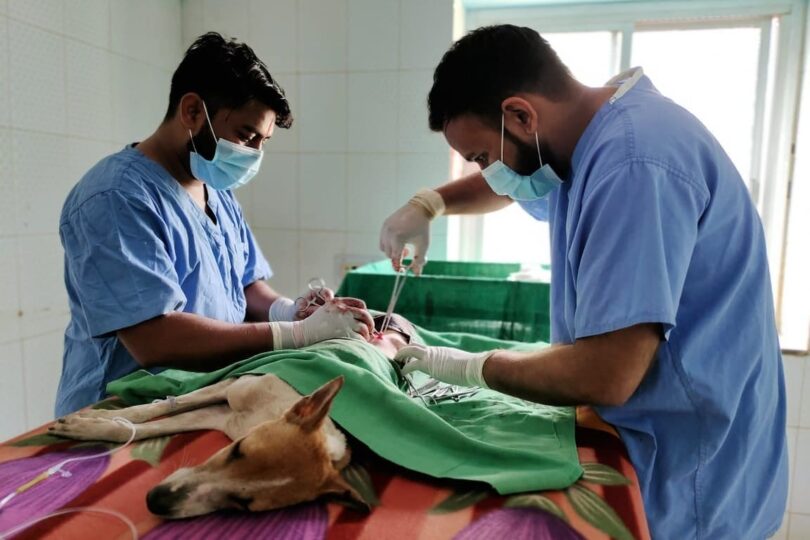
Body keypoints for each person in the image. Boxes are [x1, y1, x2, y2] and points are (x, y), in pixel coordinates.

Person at [381, 24, 788, 538]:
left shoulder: (634, 164)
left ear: (520, 115)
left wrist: (465, 367)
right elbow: (512, 184)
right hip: (679, 436)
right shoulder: (590, 133)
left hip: (693, 467)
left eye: (482, 156)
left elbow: (607, 375)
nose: (486, 171)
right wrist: (431, 203)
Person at [57, 33, 372, 417]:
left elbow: (245, 284)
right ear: (192, 111)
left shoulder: (214, 189)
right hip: (119, 416)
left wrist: (290, 312)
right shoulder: (114, 197)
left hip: (194, 400)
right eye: (246, 135)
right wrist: (297, 336)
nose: (254, 154)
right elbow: (154, 338)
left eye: (263, 141)